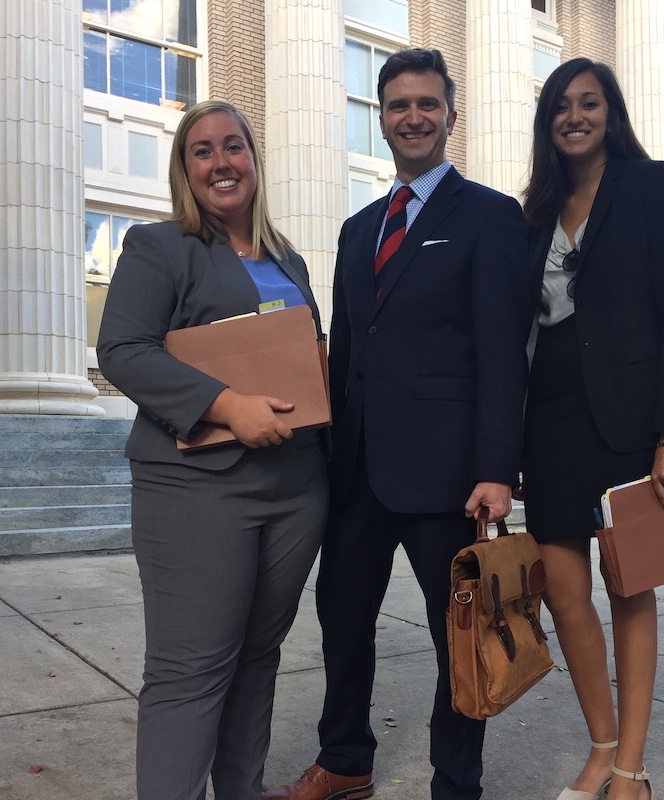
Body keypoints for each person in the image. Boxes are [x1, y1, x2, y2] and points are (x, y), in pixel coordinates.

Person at [262, 48, 530, 800]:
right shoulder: (357, 229)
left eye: (426, 104)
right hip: (357, 475)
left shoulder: (487, 216)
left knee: (460, 642)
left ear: (451, 115)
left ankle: (456, 783)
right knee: (342, 625)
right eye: (397, 105)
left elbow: (504, 354)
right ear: (379, 117)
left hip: (449, 478)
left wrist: (496, 469)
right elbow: (347, 352)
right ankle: (345, 759)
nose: (412, 117)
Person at [97, 100, 328, 800]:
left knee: (258, 660)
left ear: (255, 161)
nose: (221, 161)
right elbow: (122, 350)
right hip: (197, 488)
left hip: (296, 488)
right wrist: (228, 406)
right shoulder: (159, 247)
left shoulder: (288, 258)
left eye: (234, 146)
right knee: (189, 671)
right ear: (184, 169)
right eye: (203, 150)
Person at [520, 58, 664, 800]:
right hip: (551, 413)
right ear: (548, 121)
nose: (574, 116)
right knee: (565, 591)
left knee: (631, 587)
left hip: (629, 414)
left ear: (609, 111)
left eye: (588, 103)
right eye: (561, 106)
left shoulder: (652, 183)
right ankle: (598, 747)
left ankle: (631, 767)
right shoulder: (534, 210)